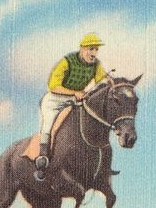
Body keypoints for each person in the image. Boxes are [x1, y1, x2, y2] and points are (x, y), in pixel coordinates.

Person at [36, 33, 107, 180]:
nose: (94, 53)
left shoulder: (96, 65)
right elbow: (53, 86)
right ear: (82, 49)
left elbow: (102, 80)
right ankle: (42, 158)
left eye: (96, 50)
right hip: (54, 101)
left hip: (74, 101)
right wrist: (74, 92)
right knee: (48, 124)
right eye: (91, 49)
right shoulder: (67, 62)